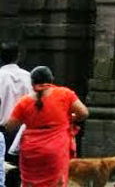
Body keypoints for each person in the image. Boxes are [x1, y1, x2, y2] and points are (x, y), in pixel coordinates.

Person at [2, 66, 89, 187]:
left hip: (31, 151)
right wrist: (69, 118)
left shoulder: (24, 102)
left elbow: (10, 126)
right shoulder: (65, 94)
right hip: (56, 149)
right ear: (51, 79)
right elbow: (84, 113)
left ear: (32, 82)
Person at [0, 43, 31, 187]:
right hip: (22, 131)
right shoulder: (28, 76)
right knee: (21, 172)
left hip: (3, 129)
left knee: (2, 171)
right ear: (18, 56)